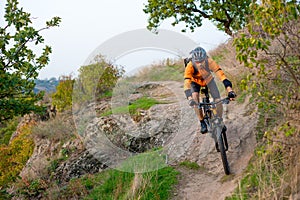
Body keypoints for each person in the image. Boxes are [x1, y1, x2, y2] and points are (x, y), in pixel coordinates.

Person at [184, 47, 236, 134]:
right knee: (195, 98)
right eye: (197, 62)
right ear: (193, 61)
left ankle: (220, 120)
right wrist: (190, 98)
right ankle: (202, 122)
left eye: (201, 61)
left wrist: (230, 90)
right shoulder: (190, 66)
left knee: (218, 100)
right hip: (195, 82)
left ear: (205, 58)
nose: (200, 64)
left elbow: (222, 76)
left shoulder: (210, 62)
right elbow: (187, 83)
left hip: (208, 80)